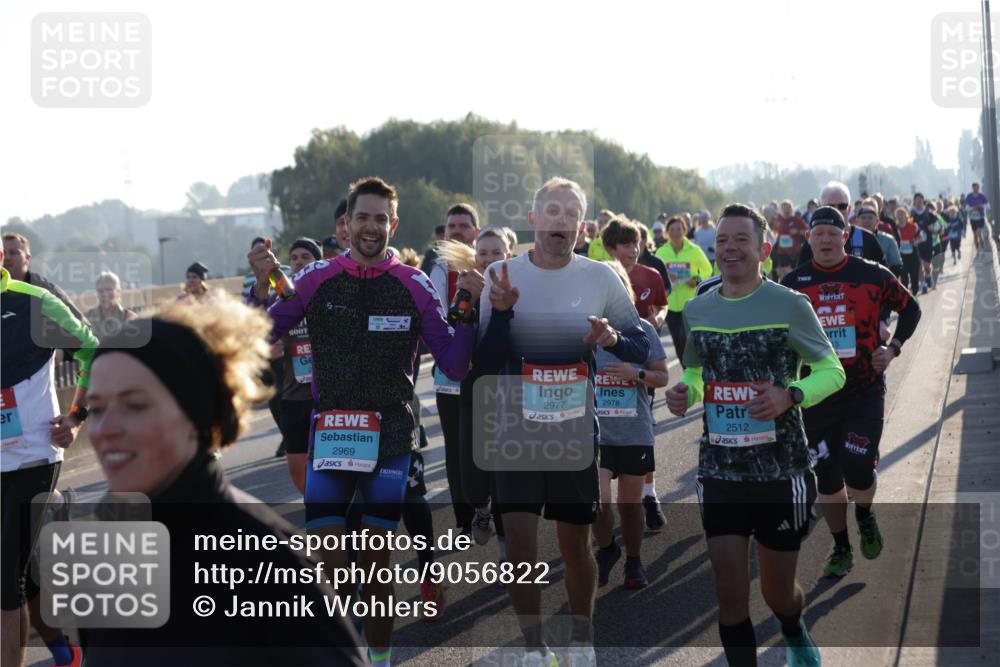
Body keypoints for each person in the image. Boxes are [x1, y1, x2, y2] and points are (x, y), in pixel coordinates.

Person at [248, 176, 481, 666]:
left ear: (393, 225)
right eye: (362, 217)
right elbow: (262, 333)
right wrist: (266, 282)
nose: (371, 227)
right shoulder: (316, 278)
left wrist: (470, 309)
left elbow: (454, 365)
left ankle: (378, 658)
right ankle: (345, 651)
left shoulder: (413, 284)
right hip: (330, 433)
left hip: (391, 436)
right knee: (330, 564)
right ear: (346, 224)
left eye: (380, 219)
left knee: (376, 563)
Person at [80, 297, 365, 665]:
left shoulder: (265, 559)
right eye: (97, 408)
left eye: (135, 405)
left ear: (195, 413)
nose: (105, 429)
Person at [476, 176, 650, 666]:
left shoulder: (600, 277)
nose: (561, 221)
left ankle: (581, 640)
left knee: (576, 544)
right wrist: (505, 315)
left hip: (574, 430)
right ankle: (534, 651)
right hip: (514, 431)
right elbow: (484, 364)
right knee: (521, 552)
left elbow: (640, 344)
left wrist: (612, 339)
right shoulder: (502, 276)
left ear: (583, 224)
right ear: (533, 220)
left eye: (571, 213)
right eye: (551, 211)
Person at [666, 203, 845, 667]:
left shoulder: (790, 305)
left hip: (781, 470)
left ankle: (793, 628)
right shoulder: (699, 308)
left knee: (777, 593)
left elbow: (832, 370)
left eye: (741, 240)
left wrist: (792, 394)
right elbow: (694, 367)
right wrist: (685, 390)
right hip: (720, 469)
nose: (729, 249)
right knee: (729, 593)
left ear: (763, 249)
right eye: (722, 240)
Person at [782, 206, 920, 580]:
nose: (825, 240)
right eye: (819, 234)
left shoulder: (872, 275)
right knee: (826, 476)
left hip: (863, 388)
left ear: (845, 238)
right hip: (816, 396)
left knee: (858, 467)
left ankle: (864, 514)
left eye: (832, 234)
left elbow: (912, 310)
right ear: (809, 239)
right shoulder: (794, 285)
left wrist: (892, 350)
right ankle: (841, 547)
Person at [1, 246, 98, 667]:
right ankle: (64, 650)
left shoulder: (34, 303)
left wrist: (77, 415)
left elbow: (93, 350)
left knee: (4, 578)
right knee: (20, 573)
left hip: (32, 458)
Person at [592, 261, 669, 589]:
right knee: (597, 500)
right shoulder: (582, 332)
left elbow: (662, 376)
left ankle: (634, 562)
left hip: (634, 430)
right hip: (596, 432)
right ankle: (608, 549)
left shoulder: (642, 330)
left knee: (630, 505)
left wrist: (634, 374)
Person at [428, 203, 481, 537]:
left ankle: (492, 512)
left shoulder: (489, 263)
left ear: (475, 231)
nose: (457, 231)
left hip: (487, 370)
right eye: (452, 227)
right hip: (449, 371)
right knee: (455, 447)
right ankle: (464, 520)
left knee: (488, 443)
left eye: (464, 226)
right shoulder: (438, 270)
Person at [273, 238, 322, 493]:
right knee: (300, 478)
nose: (299, 261)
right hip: (293, 397)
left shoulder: (327, 293)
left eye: (306, 256)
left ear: (318, 262)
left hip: (325, 397)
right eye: (294, 257)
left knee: (334, 471)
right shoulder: (282, 300)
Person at [655, 215, 712, 364]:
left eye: (679, 229)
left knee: (686, 339)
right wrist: (665, 279)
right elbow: (655, 274)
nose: (675, 232)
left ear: (684, 230)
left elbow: (707, 270)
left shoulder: (694, 250)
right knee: (677, 341)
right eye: (672, 230)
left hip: (690, 303)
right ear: (667, 232)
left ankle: (693, 369)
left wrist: (696, 280)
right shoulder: (661, 252)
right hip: (670, 303)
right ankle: (685, 370)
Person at [602, 217, 667, 332]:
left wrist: (659, 318)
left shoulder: (653, 275)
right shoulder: (600, 276)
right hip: (610, 346)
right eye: (627, 246)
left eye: (636, 243)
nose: (635, 250)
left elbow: (662, 305)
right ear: (610, 249)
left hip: (647, 343)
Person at [797, 182, 885, 266]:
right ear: (821, 209)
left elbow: (884, 277)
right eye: (831, 207)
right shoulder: (812, 243)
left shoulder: (868, 240)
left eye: (842, 206)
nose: (837, 210)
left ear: (849, 209)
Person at [84, 271, 137, 341]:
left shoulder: (130, 318)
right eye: (100, 291)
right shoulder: (87, 318)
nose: (105, 294)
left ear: (118, 292)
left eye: (109, 290)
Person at [772, 199, 809, 281]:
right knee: (783, 272)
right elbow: (774, 232)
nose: (786, 210)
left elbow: (807, 231)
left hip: (795, 251)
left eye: (788, 208)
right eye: (784, 208)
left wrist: (798, 231)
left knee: (793, 272)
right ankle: (785, 287)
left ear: (791, 208)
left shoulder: (797, 220)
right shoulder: (779, 220)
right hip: (782, 251)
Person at [895, 208, 922, 293]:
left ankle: (915, 293)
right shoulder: (895, 228)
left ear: (906, 215)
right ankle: (906, 296)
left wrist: (916, 241)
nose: (900, 216)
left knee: (914, 276)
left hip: (913, 254)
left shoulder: (913, 226)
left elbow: (921, 237)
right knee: (904, 277)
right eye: (898, 214)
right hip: (901, 256)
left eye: (902, 214)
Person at [965, 182, 990, 252]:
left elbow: (988, 206)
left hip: (980, 217)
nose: (976, 189)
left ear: (979, 188)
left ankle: (982, 248)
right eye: (975, 188)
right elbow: (966, 208)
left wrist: (980, 206)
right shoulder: (969, 196)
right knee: (975, 235)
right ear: (972, 188)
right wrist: (972, 208)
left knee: (979, 233)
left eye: (977, 187)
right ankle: (978, 249)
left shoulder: (982, 196)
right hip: (973, 218)